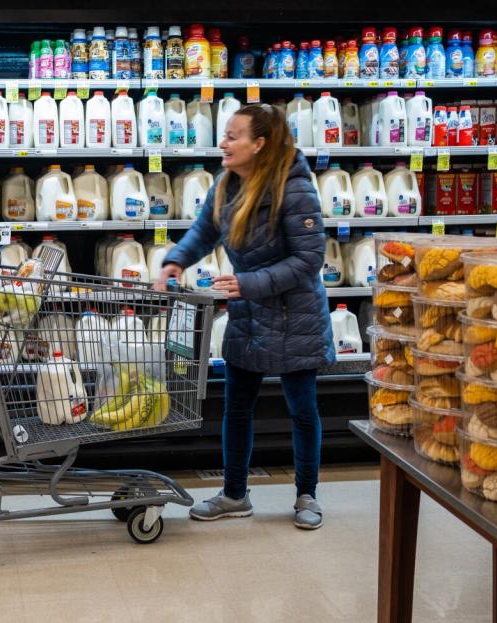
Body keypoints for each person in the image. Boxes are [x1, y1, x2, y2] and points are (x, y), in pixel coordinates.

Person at [156, 103, 334, 530]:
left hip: (295, 316)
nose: (224, 143)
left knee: (302, 409)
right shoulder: (228, 184)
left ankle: (307, 495)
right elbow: (205, 230)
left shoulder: (294, 188)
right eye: (225, 134)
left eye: (233, 136)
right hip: (248, 315)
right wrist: (176, 260)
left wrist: (249, 283)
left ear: (260, 144)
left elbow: (310, 260)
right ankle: (235, 494)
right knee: (236, 408)